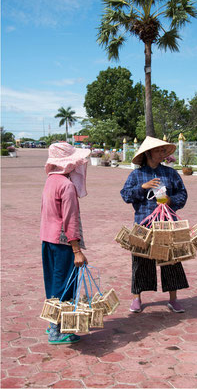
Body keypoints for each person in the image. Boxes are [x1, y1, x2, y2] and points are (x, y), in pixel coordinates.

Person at [120, 136, 189, 313]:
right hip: (144, 223)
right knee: (140, 261)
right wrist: (143, 187)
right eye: (158, 150)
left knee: (170, 260)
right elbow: (126, 195)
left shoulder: (170, 173)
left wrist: (170, 201)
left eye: (163, 151)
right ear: (148, 153)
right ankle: (137, 298)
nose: (162, 153)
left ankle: (173, 299)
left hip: (166, 223)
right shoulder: (136, 175)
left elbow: (183, 194)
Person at [40, 142, 90, 344]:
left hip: (48, 240)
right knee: (64, 285)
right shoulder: (67, 186)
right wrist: (77, 250)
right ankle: (57, 331)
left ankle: (53, 321)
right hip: (63, 244)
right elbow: (70, 220)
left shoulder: (51, 181)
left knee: (53, 283)